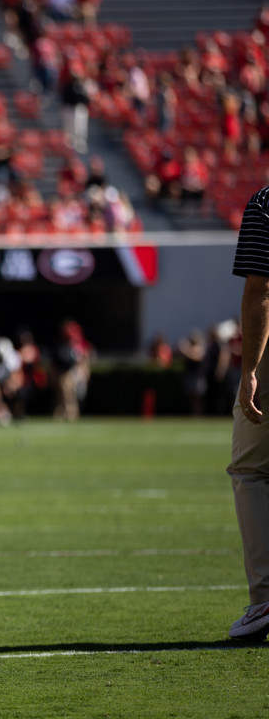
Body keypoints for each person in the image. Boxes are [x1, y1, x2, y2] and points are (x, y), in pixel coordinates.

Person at [228, 186, 269, 642]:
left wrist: (252, 369)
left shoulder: (265, 204)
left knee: (251, 469)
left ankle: (265, 598)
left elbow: (261, 287)